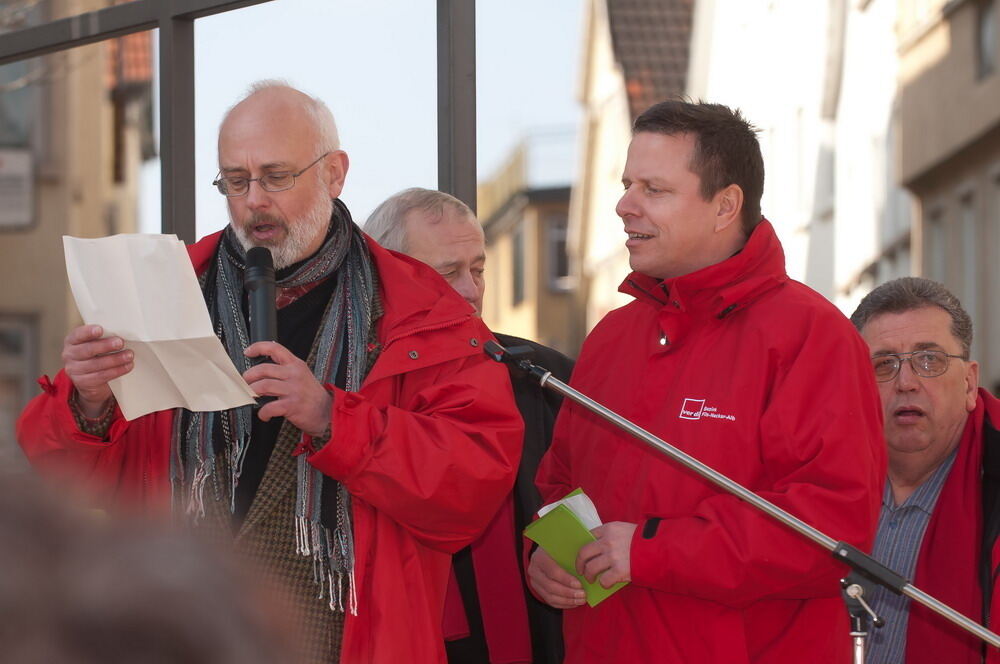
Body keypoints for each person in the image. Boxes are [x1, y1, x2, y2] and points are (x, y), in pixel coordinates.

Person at [16, 81, 523, 664]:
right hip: (180, 634)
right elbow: (70, 480)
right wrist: (89, 402)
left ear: (334, 174)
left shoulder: (422, 308)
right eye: (235, 180)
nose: (253, 200)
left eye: (276, 176)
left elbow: (472, 487)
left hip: (347, 641)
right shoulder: (166, 289)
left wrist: (335, 420)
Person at [526, 100, 885, 663]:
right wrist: (550, 553)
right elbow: (561, 483)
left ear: (725, 206)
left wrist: (649, 551)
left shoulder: (811, 336)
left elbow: (828, 531)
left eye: (654, 189)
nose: (624, 206)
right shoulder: (611, 339)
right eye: (626, 184)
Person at [364, 187, 572, 664]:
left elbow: (578, 481)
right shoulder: (348, 389)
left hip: (532, 624)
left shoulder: (540, 374)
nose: (470, 289)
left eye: (477, 269)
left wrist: (558, 553)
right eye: (447, 272)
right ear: (386, 276)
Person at [850, 277, 1000, 664]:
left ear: (969, 383)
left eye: (929, 360)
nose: (906, 383)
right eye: (884, 364)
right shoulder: (811, 477)